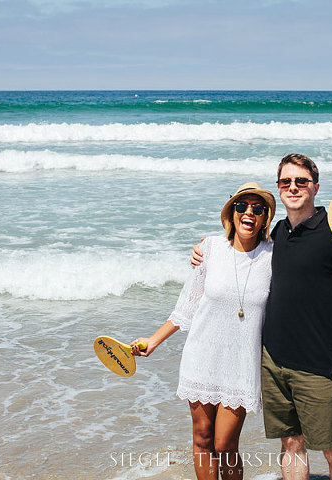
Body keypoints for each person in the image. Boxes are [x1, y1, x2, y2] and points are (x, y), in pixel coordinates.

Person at [191, 154, 332, 480]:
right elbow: (244, 258)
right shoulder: (277, 235)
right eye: (286, 181)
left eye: (301, 181)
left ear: (315, 187)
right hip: (273, 361)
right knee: (291, 444)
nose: (293, 187)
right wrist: (205, 249)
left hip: (317, 363)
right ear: (279, 188)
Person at [131, 182, 276, 480]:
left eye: (257, 209)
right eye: (242, 206)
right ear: (231, 212)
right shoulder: (209, 248)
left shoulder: (274, 256)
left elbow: (300, 290)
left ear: (265, 218)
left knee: (225, 444)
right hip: (202, 355)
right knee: (202, 437)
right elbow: (187, 306)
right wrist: (153, 341)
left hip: (241, 363)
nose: (249, 212)